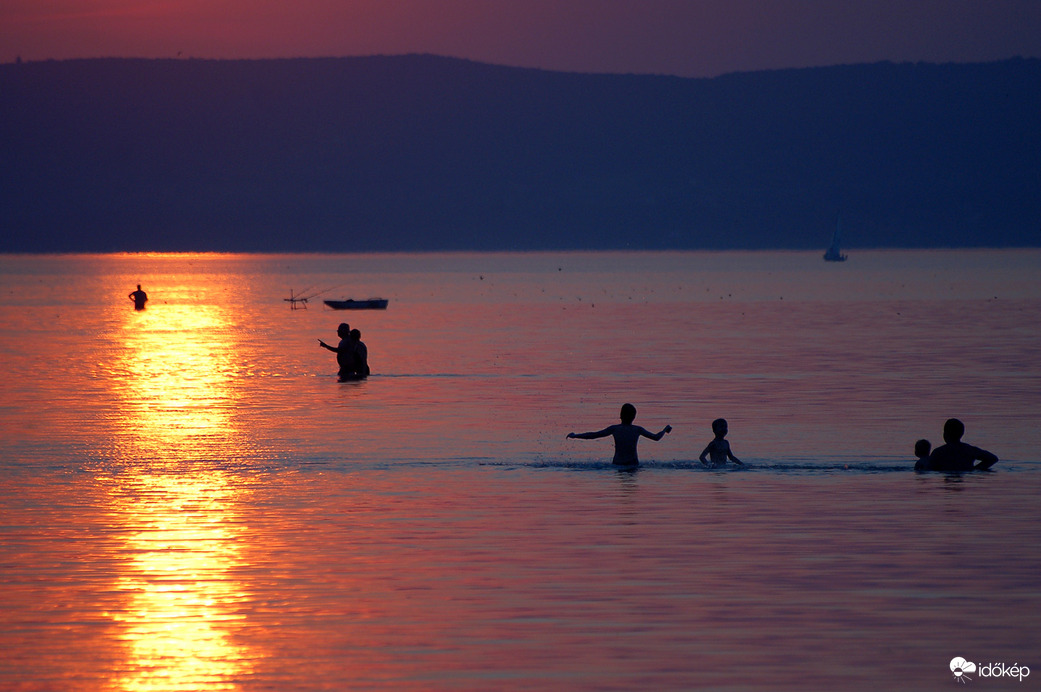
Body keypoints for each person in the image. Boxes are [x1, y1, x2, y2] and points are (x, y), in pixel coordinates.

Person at [567, 403, 671, 467]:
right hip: (633, 464)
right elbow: (656, 438)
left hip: (618, 464)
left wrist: (575, 435)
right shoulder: (637, 429)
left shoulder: (615, 429)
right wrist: (665, 430)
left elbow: (594, 435)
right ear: (634, 417)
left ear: (620, 416)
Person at [927, 418, 998, 472]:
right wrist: (975, 469)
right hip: (965, 473)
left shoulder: (938, 452)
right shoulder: (970, 450)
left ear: (945, 434)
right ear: (962, 434)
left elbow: (929, 468)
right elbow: (992, 458)